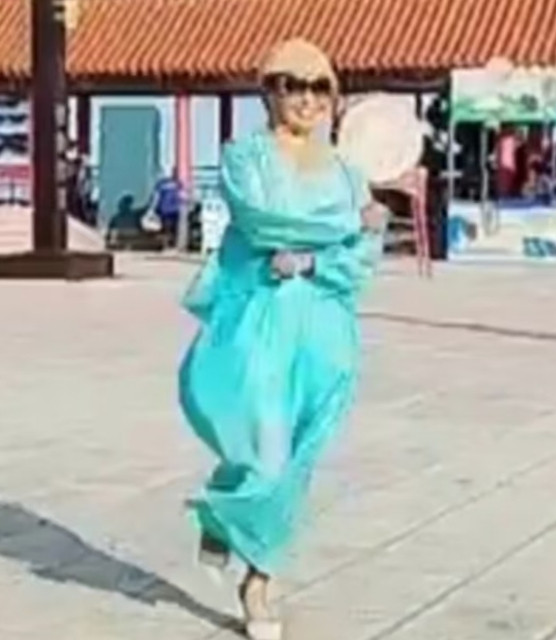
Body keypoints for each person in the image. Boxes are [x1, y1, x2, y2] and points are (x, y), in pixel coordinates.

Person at [178, 38, 386, 640]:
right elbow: (264, 222)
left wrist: (319, 260)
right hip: (259, 323)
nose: (307, 99)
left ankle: (247, 549)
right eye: (292, 85)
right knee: (264, 452)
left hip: (325, 329)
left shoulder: (348, 173)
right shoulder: (245, 158)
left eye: (320, 87)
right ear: (268, 92)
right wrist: (350, 222)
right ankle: (257, 582)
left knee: (298, 459)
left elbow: (361, 258)